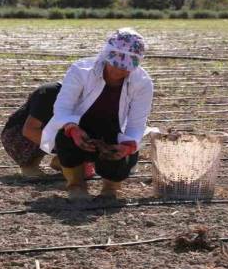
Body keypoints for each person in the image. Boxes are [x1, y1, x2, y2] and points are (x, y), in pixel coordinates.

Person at [40, 28, 153, 201]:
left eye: (126, 67)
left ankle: (110, 188)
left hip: (114, 132)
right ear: (106, 56)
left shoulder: (143, 83)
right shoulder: (80, 70)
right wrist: (73, 130)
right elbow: (62, 109)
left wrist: (127, 146)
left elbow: (136, 124)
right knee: (65, 138)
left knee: (124, 155)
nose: (118, 71)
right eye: (115, 64)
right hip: (82, 129)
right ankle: (76, 185)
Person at [1, 82, 97, 179]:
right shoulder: (50, 92)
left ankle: (63, 161)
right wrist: (65, 151)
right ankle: (33, 164)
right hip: (16, 136)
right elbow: (29, 130)